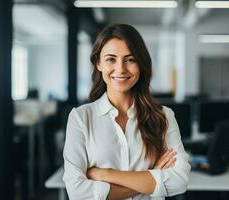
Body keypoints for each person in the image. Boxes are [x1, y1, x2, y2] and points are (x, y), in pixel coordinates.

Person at [63, 24, 190, 200]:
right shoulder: (80, 118)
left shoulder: (163, 116)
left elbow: (179, 181)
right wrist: (152, 176)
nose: (121, 69)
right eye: (111, 59)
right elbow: (77, 192)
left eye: (130, 59)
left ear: (141, 64)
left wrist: (106, 174)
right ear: (99, 63)